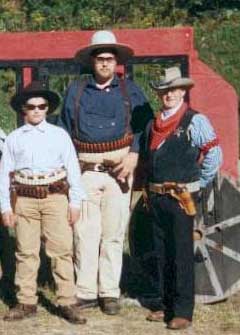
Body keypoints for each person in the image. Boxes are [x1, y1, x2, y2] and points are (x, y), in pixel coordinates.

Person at [60, 30, 153, 315]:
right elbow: (63, 131)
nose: (104, 64)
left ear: (116, 62)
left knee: (113, 233)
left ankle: (110, 292)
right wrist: (70, 170)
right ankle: (86, 292)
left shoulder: (131, 91)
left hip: (120, 170)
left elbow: (145, 125)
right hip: (86, 169)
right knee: (85, 232)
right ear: (92, 61)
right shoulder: (75, 92)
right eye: (99, 59)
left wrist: (135, 155)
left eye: (109, 59)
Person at [142, 67, 222, 330]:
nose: (168, 94)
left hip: (182, 198)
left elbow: (214, 154)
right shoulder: (152, 125)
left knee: (181, 254)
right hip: (156, 198)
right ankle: (165, 305)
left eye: (173, 89)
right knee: (162, 251)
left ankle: (183, 311)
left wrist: (199, 183)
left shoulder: (195, 121)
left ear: (182, 91)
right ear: (159, 93)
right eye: (164, 90)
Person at [0, 81, 86, 324]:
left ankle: (67, 301)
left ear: (48, 108)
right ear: (23, 109)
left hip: (55, 197)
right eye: (32, 106)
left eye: (42, 106)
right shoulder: (14, 139)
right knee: (25, 252)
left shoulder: (59, 136)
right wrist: (5, 206)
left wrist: (75, 202)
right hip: (25, 199)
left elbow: (73, 170)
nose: (37, 110)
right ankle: (26, 301)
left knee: (62, 251)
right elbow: (4, 173)